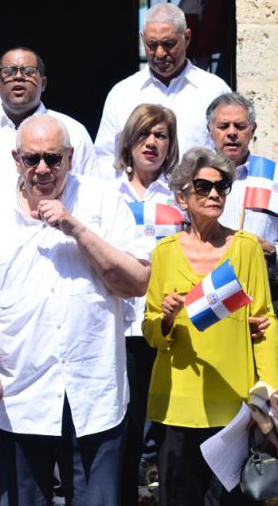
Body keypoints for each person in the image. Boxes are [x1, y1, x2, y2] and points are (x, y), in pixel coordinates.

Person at [0, 114, 151, 505]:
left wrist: (77, 229)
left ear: (70, 157)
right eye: (31, 159)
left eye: (52, 159)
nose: (41, 170)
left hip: (93, 394)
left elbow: (136, 281)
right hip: (19, 396)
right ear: (15, 158)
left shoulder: (103, 199)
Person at [143, 147, 278, 505]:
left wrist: (269, 390)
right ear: (181, 196)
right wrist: (167, 318)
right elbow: (151, 331)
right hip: (176, 405)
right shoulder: (164, 252)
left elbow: (266, 324)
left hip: (232, 405)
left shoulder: (247, 248)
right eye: (203, 187)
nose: (215, 194)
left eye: (222, 187)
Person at [108, 104, 180, 505]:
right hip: (120, 326)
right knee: (128, 428)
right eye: (144, 134)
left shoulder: (181, 194)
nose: (152, 143)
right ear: (129, 141)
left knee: (169, 428)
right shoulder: (106, 190)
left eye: (161, 135)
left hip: (168, 324)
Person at [0, 46, 97, 205]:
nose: (18, 77)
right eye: (10, 71)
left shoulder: (73, 132)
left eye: (28, 71)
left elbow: (92, 194)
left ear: (43, 83)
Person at [94, 2, 230, 161]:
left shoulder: (214, 91)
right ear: (142, 38)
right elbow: (105, 157)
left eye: (168, 44)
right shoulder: (123, 94)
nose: (160, 53)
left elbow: (230, 154)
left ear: (187, 38)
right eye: (152, 45)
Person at [208, 93, 278, 263]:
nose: (232, 132)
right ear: (209, 130)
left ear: (252, 129)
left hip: (262, 280)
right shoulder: (195, 177)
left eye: (239, 126)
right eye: (223, 126)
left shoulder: (273, 176)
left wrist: (273, 252)